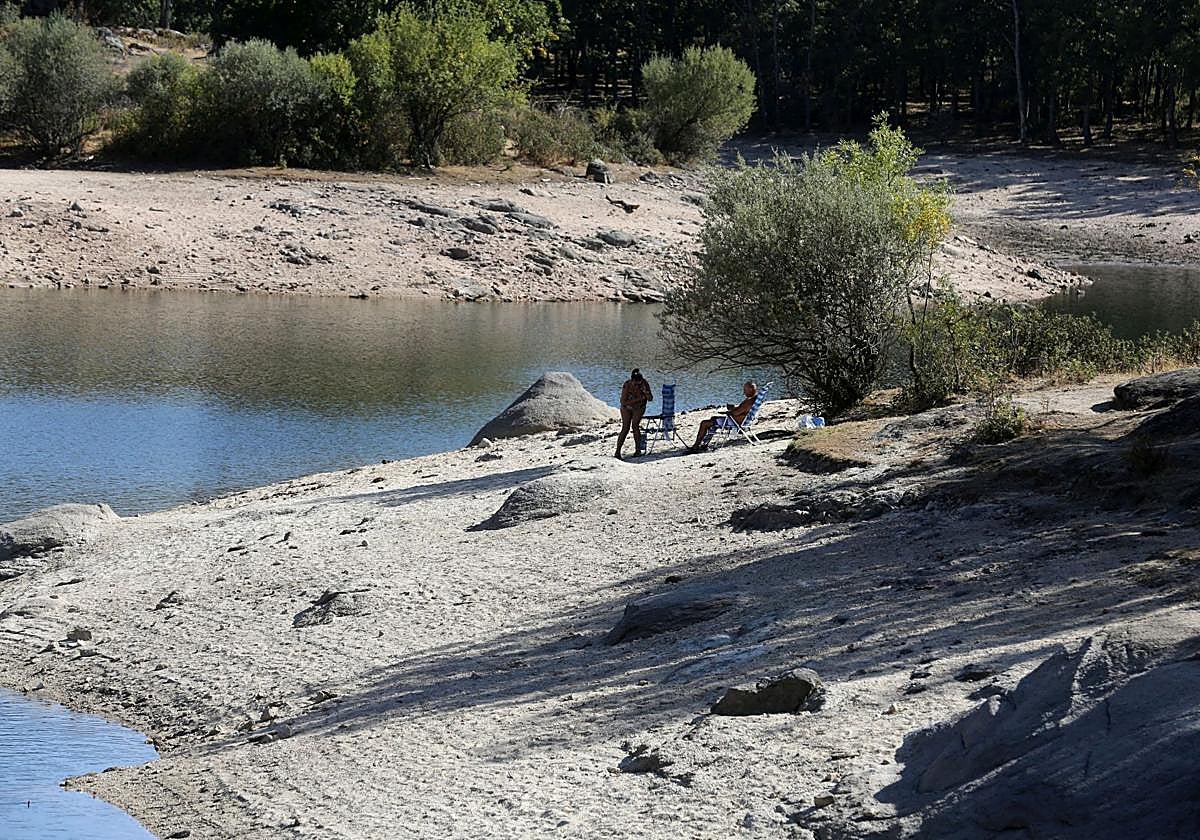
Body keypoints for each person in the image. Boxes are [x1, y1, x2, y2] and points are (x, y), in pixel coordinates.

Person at [688, 381, 758, 452]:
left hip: (734, 422)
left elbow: (736, 413)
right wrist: (733, 408)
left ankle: (696, 446)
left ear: (751, 389)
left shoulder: (749, 402)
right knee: (713, 419)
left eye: (745, 390)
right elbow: (742, 410)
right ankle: (704, 444)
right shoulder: (754, 400)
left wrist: (729, 411)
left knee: (704, 423)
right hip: (742, 421)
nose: (743, 392)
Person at [615, 368, 653, 459]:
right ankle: (617, 451)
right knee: (625, 428)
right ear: (632, 381)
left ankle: (638, 450)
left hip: (639, 408)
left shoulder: (644, 384)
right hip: (626, 408)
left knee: (635, 426)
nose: (637, 385)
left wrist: (646, 393)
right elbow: (623, 402)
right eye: (635, 384)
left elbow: (650, 398)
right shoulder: (627, 385)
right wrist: (638, 399)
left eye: (639, 384)